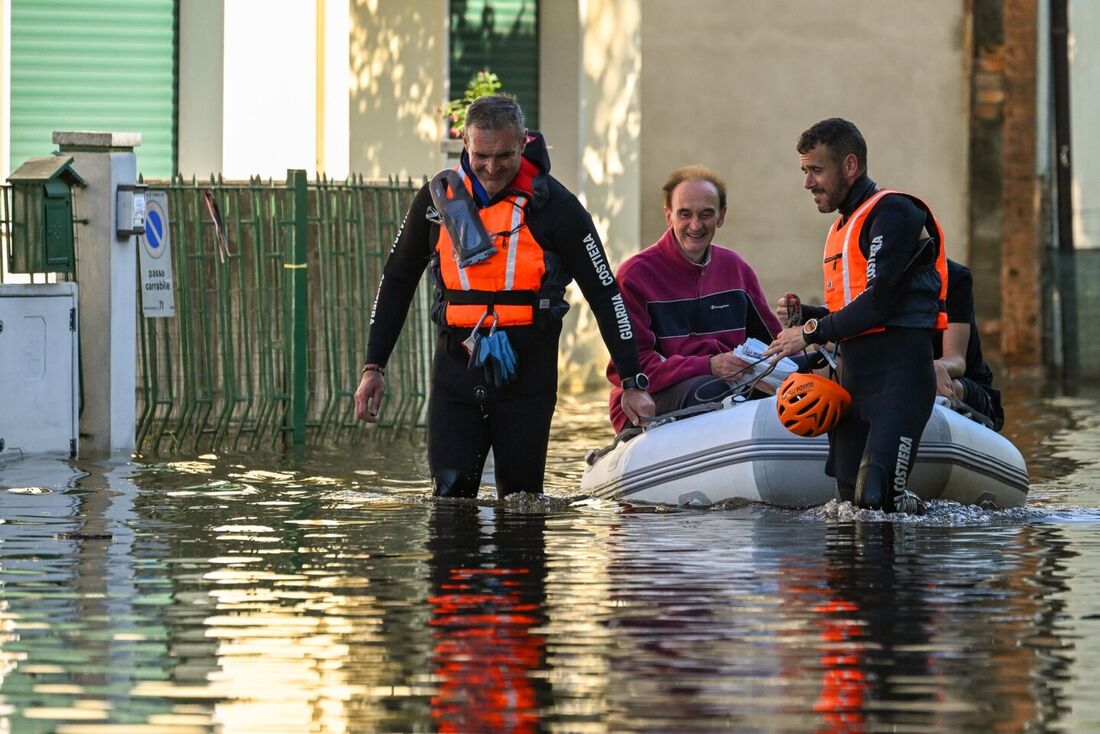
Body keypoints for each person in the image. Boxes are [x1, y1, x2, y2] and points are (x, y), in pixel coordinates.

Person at [354, 94, 655, 498]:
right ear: (464, 142)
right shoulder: (436, 202)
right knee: (448, 501)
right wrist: (374, 367)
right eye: (481, 155)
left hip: (527, 377)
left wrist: (633, 379)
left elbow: (605, 295)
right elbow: (396, 281)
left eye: (504, 156)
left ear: (524, 142)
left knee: (522, 504)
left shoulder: (558, 208)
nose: (492, 168)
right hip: (455, 374)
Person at [764, 118, 948, 514]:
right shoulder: (840, 228)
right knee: (848, 508)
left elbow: (880, 302)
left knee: (874, 499)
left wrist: (809, 332)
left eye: (816, 170)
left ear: (850, 166)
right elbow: (850, 310)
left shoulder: (893, 211)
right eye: (804, 171)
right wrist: (806, 314)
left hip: (900, 382)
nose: (807, 183)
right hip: (853, 386)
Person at [606, 165, 781, 433]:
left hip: (731, 385)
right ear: (668, 216)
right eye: (685, 214)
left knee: (789, 383)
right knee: (711, 389)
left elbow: (772, 344)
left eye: (706, 214)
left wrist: (799, 332)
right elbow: (631, 367)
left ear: (721, 216)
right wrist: (709, 365)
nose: (696, 225)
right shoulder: (634, 276)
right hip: (654, 395)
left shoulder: (736, 268)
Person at [935, 259, 1004, 431]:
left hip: (961, 385)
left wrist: (932, 367)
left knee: (929, 381)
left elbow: (956, 360)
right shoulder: (870, 282)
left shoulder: (954, 277)